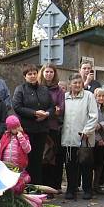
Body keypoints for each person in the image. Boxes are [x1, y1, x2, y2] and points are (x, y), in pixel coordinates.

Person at [11, 65, 55, 185]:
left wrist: (46, 114)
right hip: (27, 131)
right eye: (29, 74)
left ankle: (38, 187)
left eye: (34, 73)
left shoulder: (44, 89)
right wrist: (34, 113)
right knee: (27, 160)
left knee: (39, 160)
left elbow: (52, 106)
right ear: (25, 76)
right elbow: (17, 107)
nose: (32, 76)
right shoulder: (20, 89)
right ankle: (26, 187)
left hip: (42, 130)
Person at [61, 73, 97, 200]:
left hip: (84, 137)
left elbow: (93, 116)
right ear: (70, 84)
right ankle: (71, 189)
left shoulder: (89, 96)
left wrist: (86, 131)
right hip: (68, 137)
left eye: (79, 82)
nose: (77, 85)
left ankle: (88, 189)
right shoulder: (64, 97)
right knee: (70, 165)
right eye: (74, 83)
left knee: (86, 165)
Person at [39, 64, 65, 192]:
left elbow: (60, 109)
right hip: (38, 126)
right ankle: (40, 185)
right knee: (40, 157)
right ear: (42, 73)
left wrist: (53, 111)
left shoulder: (59, 90)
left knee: (50, 158)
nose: (49, 74)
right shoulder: (38, 87)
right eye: (46, 71)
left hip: (52, 127)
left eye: (51, 72)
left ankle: (49, 187)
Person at [0, 115, 31, 189]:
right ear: (9, 128)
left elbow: (28, 149)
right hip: (6, 167)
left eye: (18, 126)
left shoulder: (24, 136)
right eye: (14, 128)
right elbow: (0, 148)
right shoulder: (5, 136)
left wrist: (21, 138)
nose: (17, 129)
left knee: (18, 184)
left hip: (18, 167)